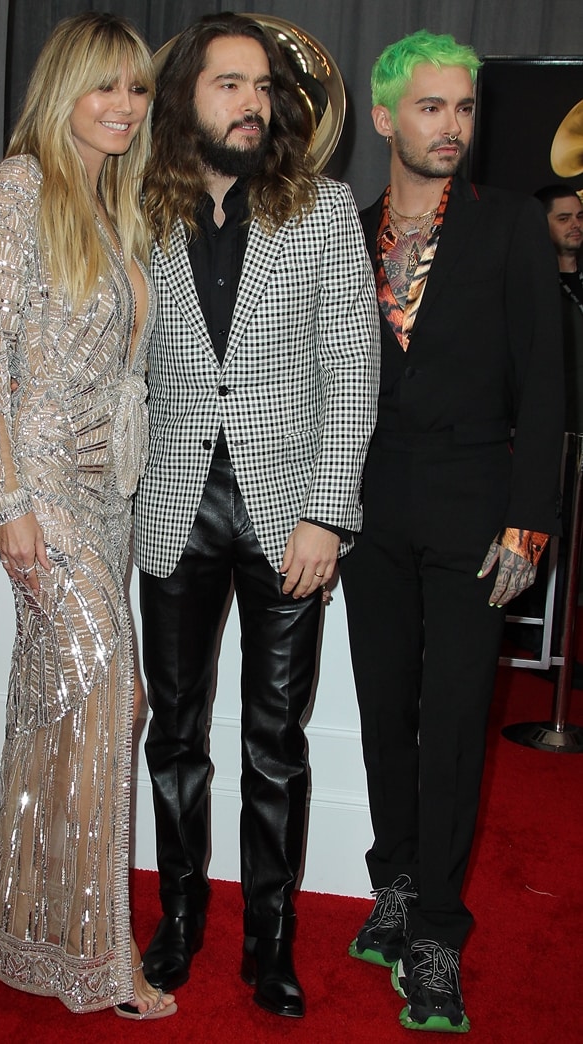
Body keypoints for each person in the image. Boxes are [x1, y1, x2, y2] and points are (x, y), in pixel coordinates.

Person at [134, 12, 380, 1019]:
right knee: (176, 734)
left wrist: (328, 514)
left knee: (276, 741)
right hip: (170, 507)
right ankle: (181, 922)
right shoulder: (135, 207)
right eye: (227, 83)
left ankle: (268, 946)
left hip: (287, 513)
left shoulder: (322, 209)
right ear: (186, 94)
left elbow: (351, 370)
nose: (250, 101)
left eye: (262, 86)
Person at [339, 30, 564, 1034]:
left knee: (456, 719)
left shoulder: (511, 224)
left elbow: (547, 386)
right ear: (386, 117)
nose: (450, 127)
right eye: (430, 107)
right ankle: (390, 878)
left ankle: (436, 929)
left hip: (478, 504)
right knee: (384, 708)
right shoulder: (343, 232)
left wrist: (529, 522)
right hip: (370, 505)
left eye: (464, 108)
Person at [0, 12, 176, 1020]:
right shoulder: (19, 188)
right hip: (41, 493)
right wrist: (8, 503)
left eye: (137, 89)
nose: (126, 107)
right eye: (106, 87)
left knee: (59, 708)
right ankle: (101, 954)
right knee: (111, 699)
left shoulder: (115, 202)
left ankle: (27, 914)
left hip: (108, 492)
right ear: (64, 91)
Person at [534, 184, 583, 431]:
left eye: (580, 216)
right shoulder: (529, 290)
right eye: (564, 218)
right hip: (556, 430)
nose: (576, 224)